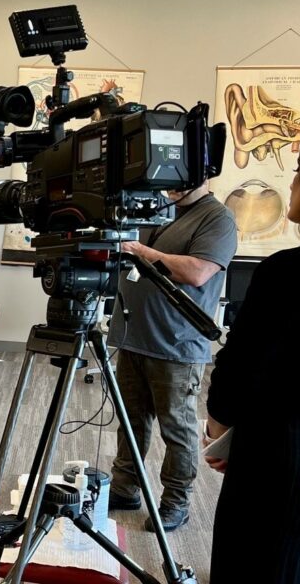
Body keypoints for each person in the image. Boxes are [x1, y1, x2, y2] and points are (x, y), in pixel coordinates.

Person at [204, 137, 300, 582]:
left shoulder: (286, 274)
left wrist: (220, 433)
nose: (292, 178)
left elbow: (235, 380)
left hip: (279, 465)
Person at [106, 181, 237, 532]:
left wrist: (141, 251)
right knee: (131, 422)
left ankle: (175, 503)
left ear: (206, 175)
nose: (173, 186)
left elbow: (196, 272)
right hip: (135, 337)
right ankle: (124, 488)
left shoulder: (217, 218)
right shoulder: (158, 209)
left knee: (176, 430)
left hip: (177, 346)